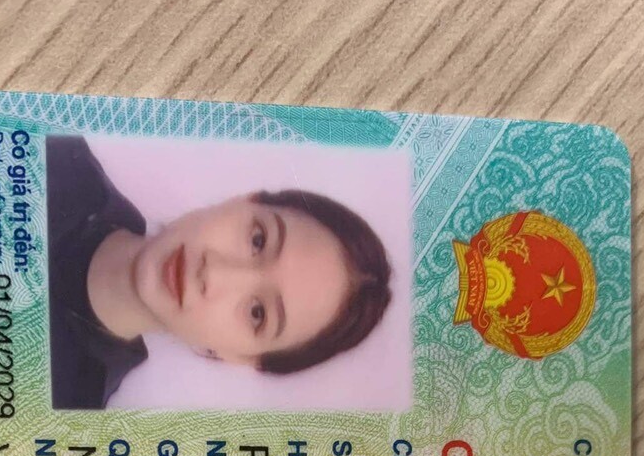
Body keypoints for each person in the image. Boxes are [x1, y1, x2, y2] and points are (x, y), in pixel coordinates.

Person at [45, 135, 392, 410]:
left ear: (239, 358)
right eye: (258, 240)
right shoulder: (48, 149)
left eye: (257, 313)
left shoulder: (61, 415)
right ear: (244, 200)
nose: (215, 273)